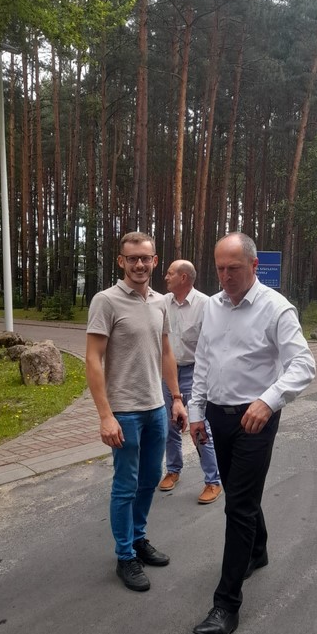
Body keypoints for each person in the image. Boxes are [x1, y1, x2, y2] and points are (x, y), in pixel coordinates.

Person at [188, 232, 316, 634]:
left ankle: (226, 606)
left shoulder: (276, 308)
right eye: (220, 269)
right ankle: (257, 550)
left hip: (255, 419)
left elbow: (303, 365)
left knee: (238, 507)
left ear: (254, 266)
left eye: (234, 268)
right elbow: (204, 360)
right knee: (238, 494)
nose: (226, 277)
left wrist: (269, 400)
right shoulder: (212, 306)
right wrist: (196, 412)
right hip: (218, 416)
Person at [86, 231, 187, 593]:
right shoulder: (106, 301)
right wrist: (105, 415)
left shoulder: (161, 303)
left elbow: (166, 352)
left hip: (156, 408)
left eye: (145, 258)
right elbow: (93, 359)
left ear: (155, 261)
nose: (139, 264)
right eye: (132, 258)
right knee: (125, 486)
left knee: (149, 479)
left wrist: (177, 398)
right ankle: (125, 555)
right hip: (124, 413)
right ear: (121, 262)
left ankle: (139, 538)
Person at [159, 259, 223, 505]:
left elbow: (214, 343)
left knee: (199, 426)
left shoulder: (206, 305)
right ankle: (173, 470)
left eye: (170, 273)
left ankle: (213, 481)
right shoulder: (163, 303)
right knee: (170, 425)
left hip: (195, 372)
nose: (166, 277)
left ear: (183, 277)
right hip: (168, 372)